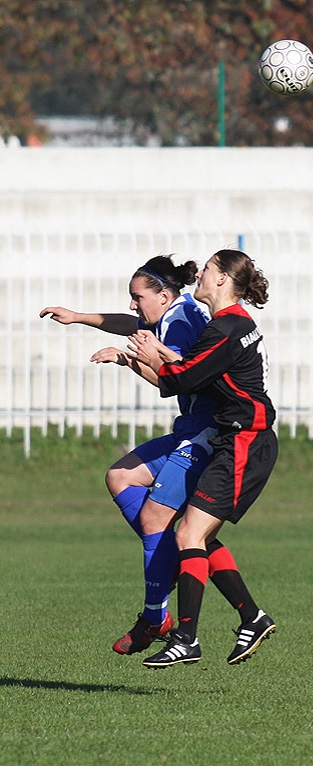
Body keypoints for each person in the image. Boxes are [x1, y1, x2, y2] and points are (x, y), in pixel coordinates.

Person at [40, 256, 260, 658]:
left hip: (207, 435)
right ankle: (175, 568)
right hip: (191, 429)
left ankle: (155, 615)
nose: (132, 305)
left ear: (162, 295)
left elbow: (169, 379)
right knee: (121, 478)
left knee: (159, 520)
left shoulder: (180, 322)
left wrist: (128, 359)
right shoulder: (177, 310)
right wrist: (77, 317)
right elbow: (134, 327)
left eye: (137, 297)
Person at [127, 248, 278, 668]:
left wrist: (141, 355)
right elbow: (200, 367)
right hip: (240, 440)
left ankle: (186, 637)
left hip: (244, 442)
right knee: (198, 536)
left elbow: (180, 380)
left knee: (187, 536)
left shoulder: (225, 329)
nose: (201, 272)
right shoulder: (231, 325)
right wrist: (165, 352)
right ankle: (252, 616)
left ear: (223, 280)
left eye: (209, 269)